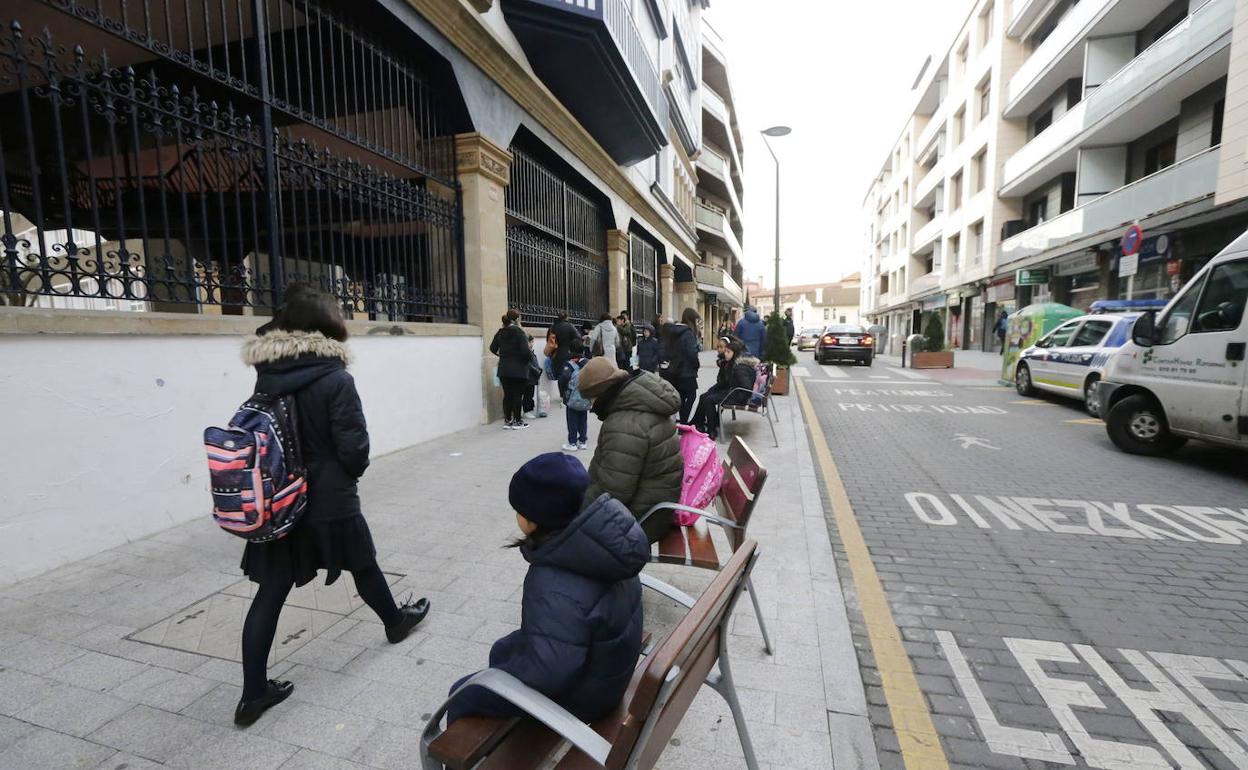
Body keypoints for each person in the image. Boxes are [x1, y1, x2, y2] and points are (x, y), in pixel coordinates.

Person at [236, 287, 429, 727]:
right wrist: (348, 474)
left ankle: (252, 694)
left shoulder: (269, 372)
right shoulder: (336, 378)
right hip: (328, 496)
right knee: (362, 563)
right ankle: (395, 621)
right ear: (328, 327)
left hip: (280, 496)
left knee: (271, 591)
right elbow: (354, 448)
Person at [445, 453, 648, 725]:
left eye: (519, 510)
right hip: (609, 668)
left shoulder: (552, 581)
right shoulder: (605, 542)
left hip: (586, 699)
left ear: (534, 518)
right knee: (501, 649)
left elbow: (549, 673)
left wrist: (507, 677)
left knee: (462, 692)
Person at [576, 356, 682, 542]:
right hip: (656, 507)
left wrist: (575, 510)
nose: (591, 406)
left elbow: (614, 491)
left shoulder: (623, 423)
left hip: (642, 519)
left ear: (601, 394)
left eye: (590, 399)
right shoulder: (644, 402)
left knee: (562, 538)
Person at [692, 338, 759, 440]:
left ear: (735, 353)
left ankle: (711, 430)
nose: (725, 354)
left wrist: (732, 394)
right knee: (706, 397)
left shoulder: (739, 367)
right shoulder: (732, 363)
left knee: (709, 400)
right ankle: (704, 425)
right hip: (733, 393)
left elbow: (745, 387)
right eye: (725, 351)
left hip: (738, 397)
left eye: (728, 352)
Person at [490, 309, 533, 430]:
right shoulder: (519, 332)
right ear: (517, 318)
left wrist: (503, 356)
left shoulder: (501, 332)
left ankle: (508, 420)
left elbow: (492, 348)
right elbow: (525, 352)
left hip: (504, 368)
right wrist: (526, 360)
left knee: (507, 395)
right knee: (517, 395)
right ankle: (518, 421)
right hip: (518, 369)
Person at [660, 307, 702, 425]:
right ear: (691, 320)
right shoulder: (688, 333)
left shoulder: (674, 331)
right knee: (691, 396)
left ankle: (682, 422)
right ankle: (683, 422)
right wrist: (696, 364)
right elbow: (691, 353)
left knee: (682, 397)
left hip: (675, 370)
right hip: (687, 371)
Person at [561, 342, 592, 451]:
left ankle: (572, 443)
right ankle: (582, 441)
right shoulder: (588, 363)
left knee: (572, 420)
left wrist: (563, 394)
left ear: (570, 351)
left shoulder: (569, 364)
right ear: (582, 351)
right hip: (585, 396)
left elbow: (563, 379)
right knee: (583, 419)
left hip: (572, 398)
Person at [548, 311, 579, 399]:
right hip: (568, 353)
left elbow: (549, 340)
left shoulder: (553, 327)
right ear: (566, 317)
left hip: (556, 354)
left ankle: (562, 395)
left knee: (559, 375)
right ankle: (568, 394)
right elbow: (578, 338)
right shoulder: (570, 326)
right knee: (568, 374)